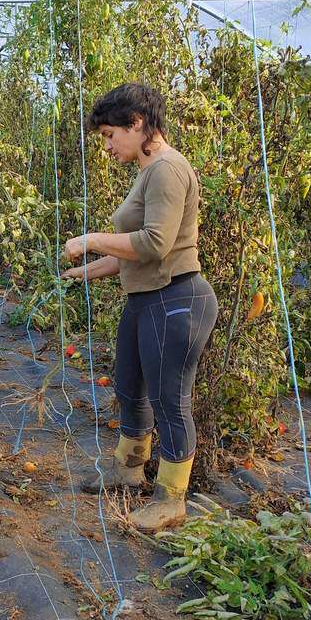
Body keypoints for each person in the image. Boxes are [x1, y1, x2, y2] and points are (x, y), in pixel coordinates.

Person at [63, 82, 217, 532]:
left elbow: (155, 244)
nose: (108, 146)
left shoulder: (167, 169)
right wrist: (88, 269)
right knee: (130, 385)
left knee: (171, 400)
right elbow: (135, 250)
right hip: (146, 300)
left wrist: (91, 240)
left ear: (137, 123)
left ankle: (171, 500)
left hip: (176, 299)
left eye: (111, 135)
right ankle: (128, 471)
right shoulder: (148, 172)